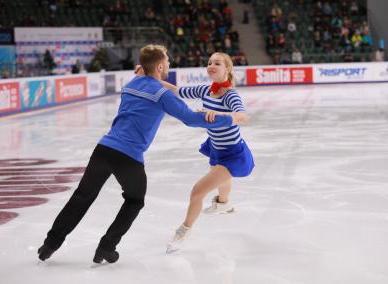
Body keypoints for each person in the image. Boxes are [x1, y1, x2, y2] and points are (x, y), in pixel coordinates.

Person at [37, 45, 245, 264]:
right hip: (128, 157)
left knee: (82, 196)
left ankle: (49, 244)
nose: (169, 64)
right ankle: (106, 247)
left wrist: (145, 72)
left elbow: (147, 79)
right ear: (160, 66)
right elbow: (191, 119)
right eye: (167, 60)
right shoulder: (162, 94)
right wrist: (230, 118)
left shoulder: (131, 84)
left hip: (103, 150)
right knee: (135, 200)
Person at [157, 52, 254, 253]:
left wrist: (220, 114)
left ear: (227, 69)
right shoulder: (205, 90)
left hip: (232, 153)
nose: (211, 65)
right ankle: (224, 204)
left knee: (197, 191)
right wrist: (151, 79)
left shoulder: (230, 95)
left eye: (217, 63)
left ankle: (183, 231)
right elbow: (177, 91)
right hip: (216, 146)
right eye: (209, 63)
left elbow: (243, 116)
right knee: (221, 179)